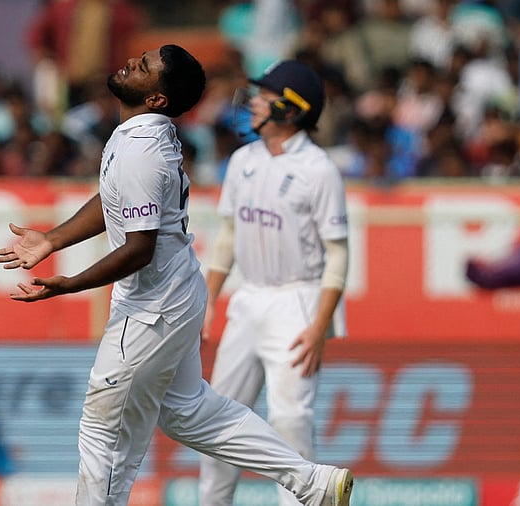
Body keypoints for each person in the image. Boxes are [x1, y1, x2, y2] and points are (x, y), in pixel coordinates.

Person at [0, 44, 353, 506]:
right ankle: (312, 481)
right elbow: (114, 199)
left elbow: (138, 248)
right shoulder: (143, 134)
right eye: (139, 58)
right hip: (177, 292)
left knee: (103, 430)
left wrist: (70, 284)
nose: (131, 63)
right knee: (188, 411)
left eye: (145, 67)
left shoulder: (142, 147)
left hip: (151, 307)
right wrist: (52, 240)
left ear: (158, 98)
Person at [198, 60, 350, 506]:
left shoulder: (319, 170)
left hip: (297, 300)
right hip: (249, 299)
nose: (255, 102)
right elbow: (227, 235)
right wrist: (208, 296)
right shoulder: (243, 160)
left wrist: (320, 324)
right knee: (217, 418)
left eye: (265, 95)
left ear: (291, 109)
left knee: (290, 421)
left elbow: (338, 253)